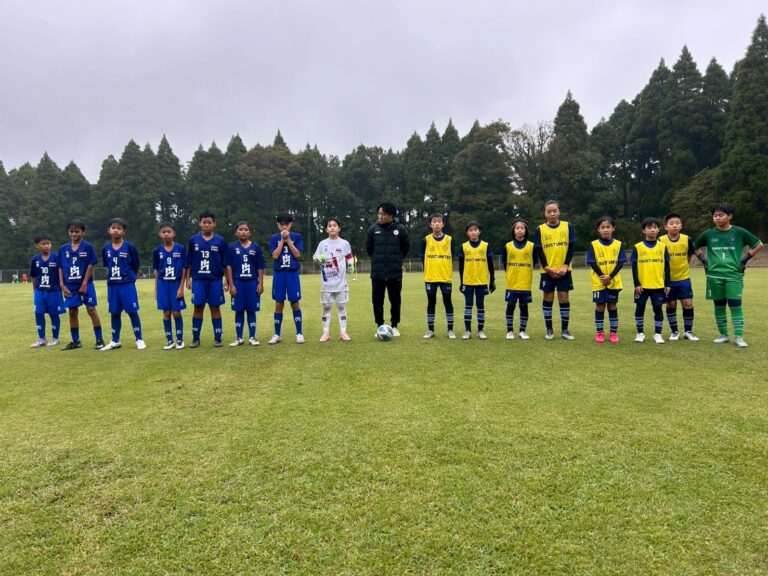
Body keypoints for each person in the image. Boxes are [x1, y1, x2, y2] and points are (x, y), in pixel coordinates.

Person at [694, 202, 764, 348]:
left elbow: (758, 244)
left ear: (730, 216)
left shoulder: (739, 232)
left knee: (735, 305)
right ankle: (723, 335)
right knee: (719, 305)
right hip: (714, 276)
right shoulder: (708, 234)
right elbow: (694, 247)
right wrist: (704, 260)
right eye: (715, 215)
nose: (717, 218)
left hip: (734, 275)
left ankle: (739, 337)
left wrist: (744, 260)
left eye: (721, 215)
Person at [57, 219, 105, 350]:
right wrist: (62, 285)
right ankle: (75, 341)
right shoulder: (63, 249)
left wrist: (84, 283)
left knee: (91, 310)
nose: (74, 234)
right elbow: (60, 267)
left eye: (77, 231)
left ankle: (99, 339)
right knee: (72, 312)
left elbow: (90, 265)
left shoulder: (88, 247)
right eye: (71, 231)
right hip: (70, 285)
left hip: (86, 284)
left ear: (83, 232)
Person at [100, 218, 146, 350]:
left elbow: (135, 265)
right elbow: (107, 265)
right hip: (113, 285)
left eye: (119, 228)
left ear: (124, 232)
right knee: (114, 312)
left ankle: (139, 339)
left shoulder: (129, 247)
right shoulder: (105, 249)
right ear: (109, 230)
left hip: (126, 284)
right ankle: (115, 341)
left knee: (132, 311)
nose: (116, 230)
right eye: (113, 228)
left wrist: (131, 278)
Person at [533, 200, 576, 340]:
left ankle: (565, 330)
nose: (552, 213)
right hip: (547, 271)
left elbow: (571, 247)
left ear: (559, 212)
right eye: (549, 211)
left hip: (564, 270)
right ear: (545, 213)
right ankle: (549, 330)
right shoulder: (540, 229)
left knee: (563, 298)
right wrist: (547, 268)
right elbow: (539, 250)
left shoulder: (567, 226)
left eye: (554, 211)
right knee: (548, 298)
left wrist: (565, 266)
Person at [365, 202, 410, 336]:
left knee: (395, 301)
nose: (380, 216)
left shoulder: (401, 229)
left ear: (391, 215)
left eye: (383, 214)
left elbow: (405, 248)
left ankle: (394, 326)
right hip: (377, 273)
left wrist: (396, 259)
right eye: (379, 213)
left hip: (394, 273)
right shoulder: (373, 229)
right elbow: (368, 248)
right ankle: (380, 326)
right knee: (377, 301)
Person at [186, 210, 228, 348]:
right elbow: (189, 262)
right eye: (204, 222)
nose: (207, 225)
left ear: (214, 224)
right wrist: (187, 279)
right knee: (198, 307)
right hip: (198, 280)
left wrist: (227, 280)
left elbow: (225, 263)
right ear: (200, 223)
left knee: (215, 307)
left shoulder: (220, 241)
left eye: (209, 222)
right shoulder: (193, 240)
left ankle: (218, 338)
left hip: (215, 280)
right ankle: (195, 338)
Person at [313, 217, 355, 341]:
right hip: (326, 283)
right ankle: (325, 333)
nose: (332, 227)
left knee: (341, 306)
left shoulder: (344, 243)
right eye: (329, 225)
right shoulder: (322, 244)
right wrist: (319, 258)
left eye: (334, 225)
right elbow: (315, 257)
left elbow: (349, 257)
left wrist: (351, 266)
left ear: (339, 228)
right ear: (326, 229)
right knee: (326, 307)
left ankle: (343, 332)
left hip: (341, 283)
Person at [586, 216, 626, 344]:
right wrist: (602, 276)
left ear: (613, 228)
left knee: (612, 306)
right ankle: (600, 333)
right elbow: (591, 261)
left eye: (608, 227)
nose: (605, 229)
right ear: (598, 229)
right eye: (602, 227)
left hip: (613, 282)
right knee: (600, 306)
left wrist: (610, 276)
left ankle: (613, 333)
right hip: (598, 282)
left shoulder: (618, 244)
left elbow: (620, 262)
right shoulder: (594, 244)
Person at [659, 214, 699, 341]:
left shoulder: (687, 239)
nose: (675, 225)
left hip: (684, 278)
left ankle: (688, 331)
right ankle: (674, 332)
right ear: (666, 227)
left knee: (688, 304)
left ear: (681, 226)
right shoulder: (660, 240)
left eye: (677, 223)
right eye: (671, 223)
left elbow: (689, 256)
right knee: (671, 304)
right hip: (668, 280)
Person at [631, 217, 670, 344]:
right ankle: (640, 333)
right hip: (642, 286)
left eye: (654, 227)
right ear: (644, 230)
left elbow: (667, 267)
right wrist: (636, 284)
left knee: (658, 309)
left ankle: (658, 334)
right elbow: (634, 268)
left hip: (658, 285)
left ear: (658, 230)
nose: (652, 230)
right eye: (649, 227)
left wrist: (667, 284)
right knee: (640, 308)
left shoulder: (663, 247)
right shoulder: (638, 247)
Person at [227, 221, 266, 346]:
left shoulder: (255, 247)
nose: (243, 232)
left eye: (246, 229)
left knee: (251, 310)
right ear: (236, 232)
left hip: (252, 282)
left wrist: (260, 284)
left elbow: (260, 266)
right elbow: (229, 267)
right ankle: (239, 337)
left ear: (249, 232)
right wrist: (231, 284)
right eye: (240, 229)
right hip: (238, 282)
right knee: (239, 310)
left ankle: (252, 337)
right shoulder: (232, 247)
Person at [268, 212, 304, 344]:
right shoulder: (273, 238)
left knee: (295, 302)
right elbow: (275, 256)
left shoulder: (297, 237)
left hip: (292, 273)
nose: (284, 227)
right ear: (278, 225)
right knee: (279, 303)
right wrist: (282, 241)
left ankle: (299, 333)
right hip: (279, 274)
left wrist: (288, 239)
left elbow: (297, 254)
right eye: (281, 224)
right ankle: (277, 334)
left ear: (291, 224)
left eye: (287, 224)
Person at [152, 222, 187, 350]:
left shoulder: (180, 248)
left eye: (169, 232)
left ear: (173, 233)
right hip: (163, 284)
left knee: (176, 312)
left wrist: (181, 287)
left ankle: (179, 339)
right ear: (160, 234)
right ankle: (169, 340)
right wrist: (156, 290)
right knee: (166, 312)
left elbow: (184, 268)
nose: (166, 234)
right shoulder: (157, 251)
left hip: (176, 283)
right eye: (163, 232)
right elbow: (157, 271)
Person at [459, 221, 495, 339]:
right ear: (467, 233)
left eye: (475, 230)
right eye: (470, 230)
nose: (473, 232)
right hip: (468, 281)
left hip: (481, 281)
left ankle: (480, 330)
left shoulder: (485, 245)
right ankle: (467, 331)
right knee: (468, 306)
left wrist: (492, 280)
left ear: (479, 231)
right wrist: (461, 282)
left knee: (480, 306)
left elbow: (490, 264)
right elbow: (461, 267)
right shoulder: (464, 246)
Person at [421, 213, 455, 339]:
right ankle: (430, 330)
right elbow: (422, 258)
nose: (436, 224)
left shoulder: (449, 240)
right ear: (430, 225)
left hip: (445, 277)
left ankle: (450, 330)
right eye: (434, 222)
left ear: (443, 224)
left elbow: (453, 256)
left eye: (439, 221)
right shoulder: (426, 240)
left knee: (448, 302)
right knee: (431, 302)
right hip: (430, 277)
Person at [501, 219, 535, 340]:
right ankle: (509, 331)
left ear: (526, 231)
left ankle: (522, 331)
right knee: (510, 306)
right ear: (513, 230)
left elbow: (535, 261)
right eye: (517, 228)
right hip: (512, 282)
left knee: (524, 306)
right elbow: (504, 263)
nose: (520, 230)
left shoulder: (532, 246)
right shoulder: (508, 246)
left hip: (525, 282)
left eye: (522, 228)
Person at [29, 233, 64, 347]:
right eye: (43, 244)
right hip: (40, 291)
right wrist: (35, 290)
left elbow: (61, 273)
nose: (46, 246)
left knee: (54, 314)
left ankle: (55, 338)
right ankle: (41, 339)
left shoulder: (57, 258)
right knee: (38, 313)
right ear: (37, 246)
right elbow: (33, 276)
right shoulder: (35, 259)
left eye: (48, 243)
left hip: (54, 291)